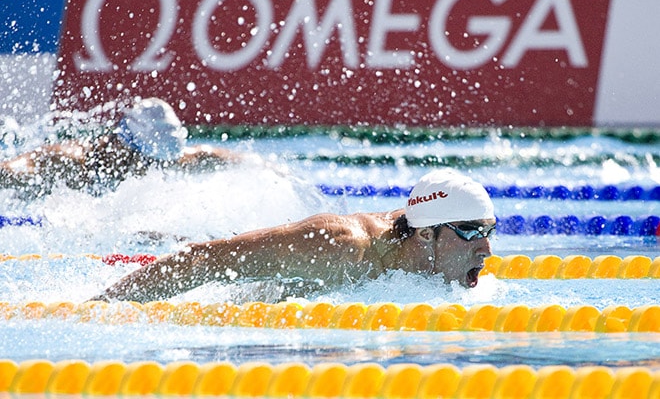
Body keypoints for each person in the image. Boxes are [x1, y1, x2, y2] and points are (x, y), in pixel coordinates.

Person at [91, 170, 496, 303]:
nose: (487, 249)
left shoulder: (425, 243)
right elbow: (205, 260)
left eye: (490, 232)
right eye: (472, 233)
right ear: (424, 236)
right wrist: (102, 307)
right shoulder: (340, 246)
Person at [0, 98, 244, 198]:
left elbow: (226, 159)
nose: (153, 170)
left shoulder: (165, 161)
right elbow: (12, 170)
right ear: (122, 144)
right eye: (147, 161)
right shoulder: (65, 161)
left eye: (158, 162)